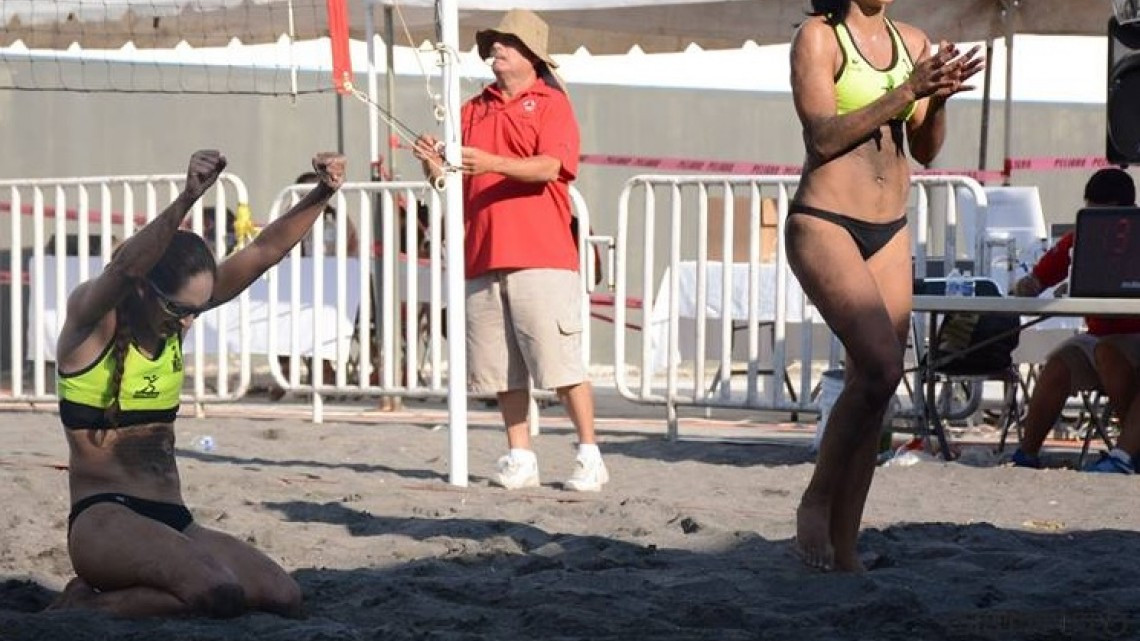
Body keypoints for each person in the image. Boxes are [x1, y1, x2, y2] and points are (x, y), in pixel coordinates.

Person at [49, 149, 346, 617]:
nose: (188, 322)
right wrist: (188, 197)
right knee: (217, 594)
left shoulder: (173, 317)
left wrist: (323, 193)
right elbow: (123, 269)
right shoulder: (93, 325)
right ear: (144, 289)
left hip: (173, 518)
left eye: (196, 311)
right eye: (179, 310)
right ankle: (81, 608)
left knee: (283, 596)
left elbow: (264, 252)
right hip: (104, 517)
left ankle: (112, 598)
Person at [786, 0, 983, 571]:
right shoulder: (819, 37)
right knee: (879, 367)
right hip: (825, 222)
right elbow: (823, 138)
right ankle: (816, 498)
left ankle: (845, 550)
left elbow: (924, 149)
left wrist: (937, 99)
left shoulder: (913, 41)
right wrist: (908, 90)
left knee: (875, 391)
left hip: (889, 227)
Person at [412, 9, 607, 492]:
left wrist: (492, 162)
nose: (497, 48)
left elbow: (551, 167)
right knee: (500, 369)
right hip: (482, 252)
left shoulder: (552, 104)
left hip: (541, 253)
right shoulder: (470, 109)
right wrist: (432, 164)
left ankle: (589, 453)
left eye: (508, 42)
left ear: (531, 55)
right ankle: (520, 454)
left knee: (561, 365)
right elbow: (447, 181)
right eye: (495, 41)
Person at [1008, 168, 1140, 474]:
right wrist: (1025, 286)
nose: (1099, 225)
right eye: (1091, 213)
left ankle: (1126, 455)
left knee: (1107, 353)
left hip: (1132, 335)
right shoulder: (1080, 239)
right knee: (1060, 364)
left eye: (1104, 215)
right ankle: (1026, 455)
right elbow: (1036, 281)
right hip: (1099, 338)